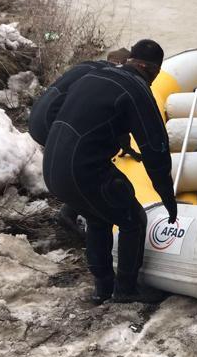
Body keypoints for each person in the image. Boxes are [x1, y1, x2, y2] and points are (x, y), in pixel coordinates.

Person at [42, 39, 177, 304]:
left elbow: (53, 111)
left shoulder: (95, 75)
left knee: (99, 218)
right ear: (152, 70)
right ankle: (126, 289)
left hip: (52, 167)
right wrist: (167, 197)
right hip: (83, 171)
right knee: (133, 219)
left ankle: (103, 288)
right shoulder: (137, 89)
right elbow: (155, 150)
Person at [28, 48, 142, 236]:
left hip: (37, 118)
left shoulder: (87, 66)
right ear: (123, 65)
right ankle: (72, 212)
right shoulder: (106, 79)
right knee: (86, 161)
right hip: (52, 122)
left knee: (77, 161)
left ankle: (74, 206)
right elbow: (110, 114)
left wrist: (125, 145)